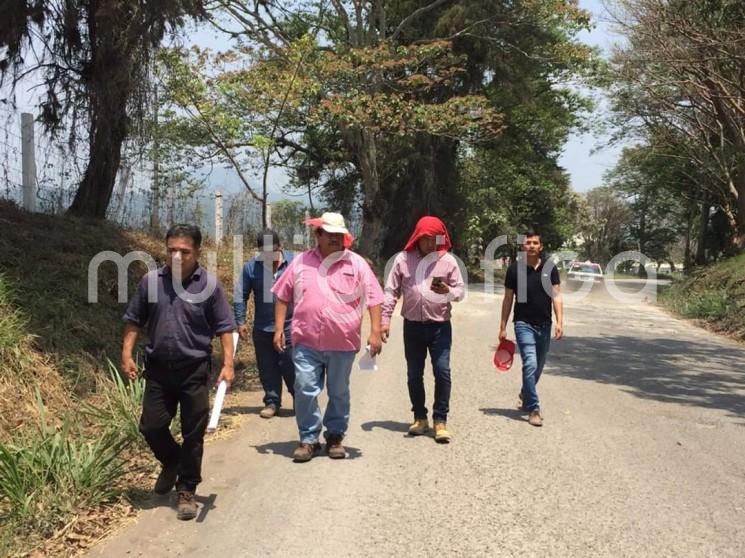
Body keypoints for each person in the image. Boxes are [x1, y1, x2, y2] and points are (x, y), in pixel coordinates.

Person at [121, 224, 236, 520]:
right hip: (158, 369)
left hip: (193, 369)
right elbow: (134, 320)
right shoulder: (151, 282)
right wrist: (126, 354)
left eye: (184, 251)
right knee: (151, 426)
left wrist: (228, 363)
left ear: (197, 252)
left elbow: (225, 327)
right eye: (171, 250)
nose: (176, 256)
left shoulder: (209, 286)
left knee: (193, 433)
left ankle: (186, 489)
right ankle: (172, 461)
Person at [271, 212, 384, 462]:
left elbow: (375, 298)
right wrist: (279, 328)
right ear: (318, 235)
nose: (335, 239)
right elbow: (282, 295)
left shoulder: (356, 264)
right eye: (330, 234)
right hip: (305, 340)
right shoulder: (300, 262)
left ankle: (334, 436)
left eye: (339, 235)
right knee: (304, 388)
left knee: (339, 390)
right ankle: (309, 439)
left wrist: (376, 331)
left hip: (342, 342)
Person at [381, 216, 464, 443]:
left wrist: (448, 290)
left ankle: (440, 421)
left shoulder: (448, 261)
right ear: (417, 237)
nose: (430, 244)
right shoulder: (402, 260)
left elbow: (460, 292)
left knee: (442, 371)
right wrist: (385, 320)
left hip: (440, 327)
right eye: (425, 239)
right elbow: (391, 292)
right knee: (414, 374)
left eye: (434, 239)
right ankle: (420, 418)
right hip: (413, 327)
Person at [498, 230, 563, 427]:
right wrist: (502, 327)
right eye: (528, 243)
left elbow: (556, 296)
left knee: (539, 366)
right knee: (530, 363)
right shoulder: (514, 269)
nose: (532, 246)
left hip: (544, 324)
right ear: (523, 246)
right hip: (523, 323)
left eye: (536, 243)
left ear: (541, 247)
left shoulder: (550, 268)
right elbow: (508, 299)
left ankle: (526, 391)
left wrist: (560, 321)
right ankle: (534, 408)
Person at [234, 229, 295, 419]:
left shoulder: (295, 264)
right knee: (267, 367)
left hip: (291, 326)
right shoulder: (251, 268)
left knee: (291, 365)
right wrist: (241, 320)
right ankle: (272, 402)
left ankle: (301, 400)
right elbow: (240, 295)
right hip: (263, 327)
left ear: (280, 247)